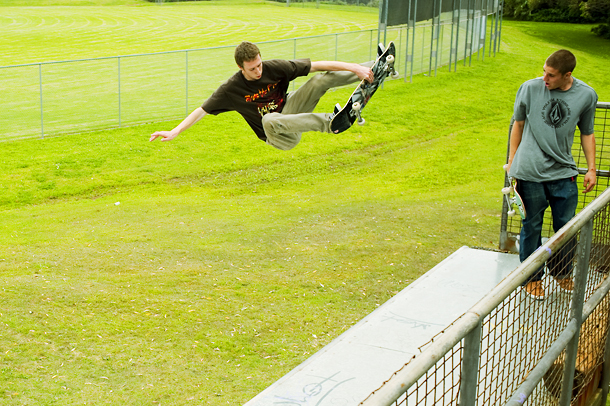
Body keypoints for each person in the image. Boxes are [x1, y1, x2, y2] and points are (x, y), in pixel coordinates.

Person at [149, 41, 374, 150]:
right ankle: (332, 122)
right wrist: (175, 131)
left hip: (290, 113)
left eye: (259, 65)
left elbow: (318, 65)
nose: (258, 71)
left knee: (318, 80)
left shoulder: (274, 67)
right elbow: (202, 110)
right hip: (277, 136)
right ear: (241, 68)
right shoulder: (231, 89)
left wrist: (356, 68)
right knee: (268, 119)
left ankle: (373, 67)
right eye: (252, 69)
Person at [506, 49, 598, 300]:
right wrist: (512, 162)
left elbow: (587, 132)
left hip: (563, 173)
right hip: (530, 172)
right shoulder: (529, 88)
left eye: (551, 75)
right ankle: (531, 278)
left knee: (566, 228)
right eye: (544, 72)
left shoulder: (586, 95)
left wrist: (591, 169)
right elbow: (519, 124)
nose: (544, 78)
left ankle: (561, 273)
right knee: (531, 226)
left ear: (567, 75)